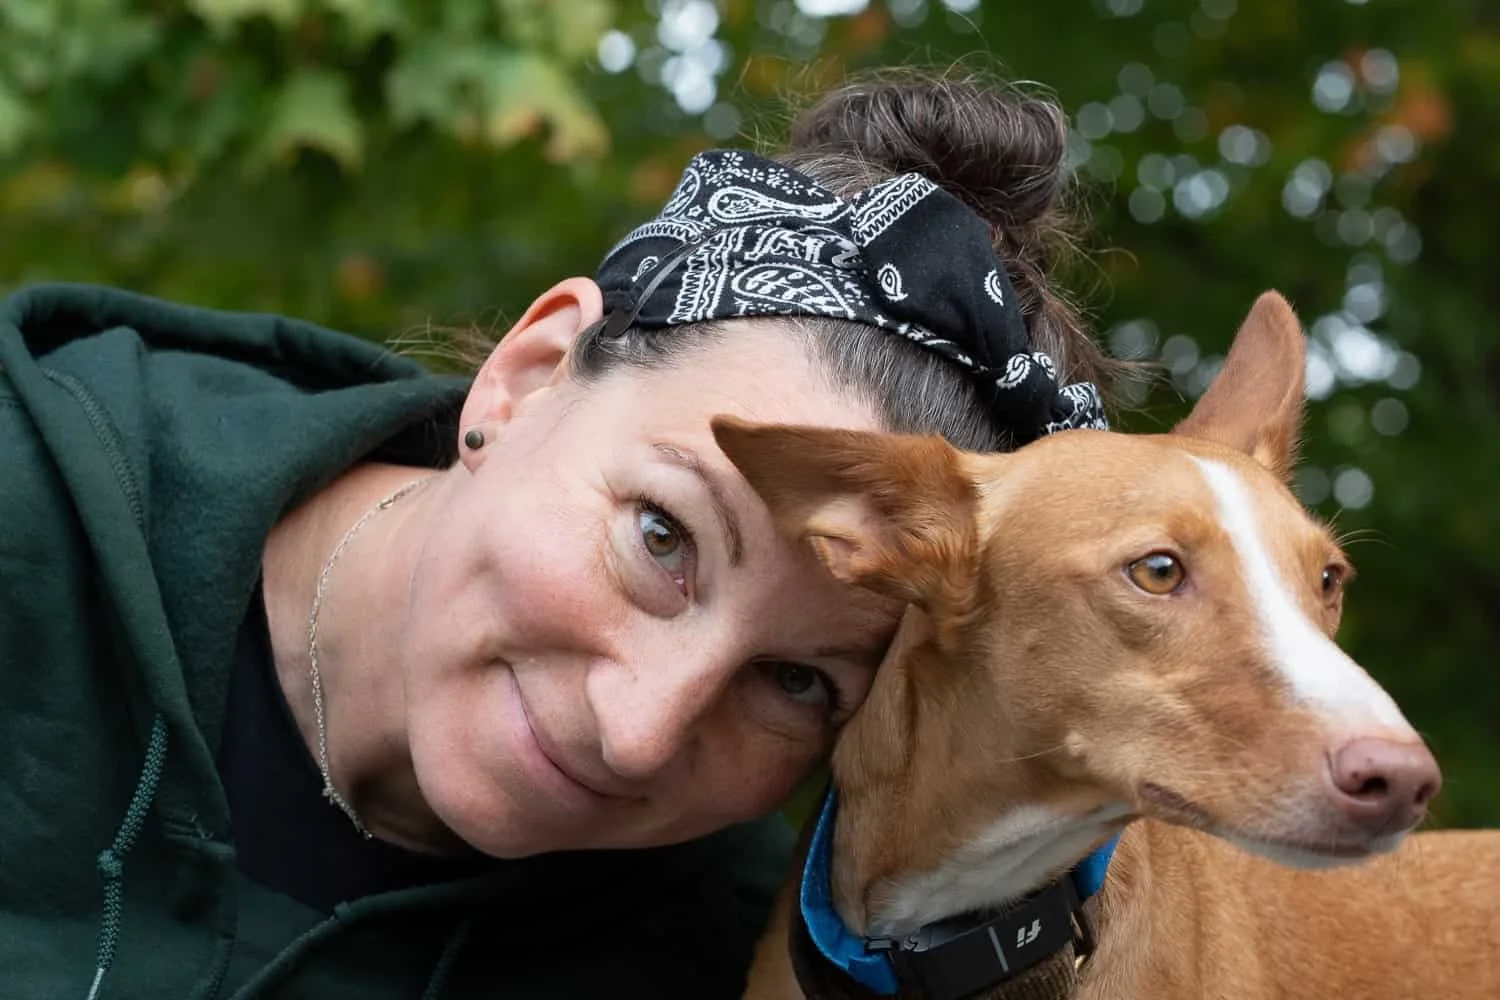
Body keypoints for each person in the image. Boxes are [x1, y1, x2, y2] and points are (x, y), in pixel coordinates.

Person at [0, 71, 1119, 999]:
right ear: (526, 379)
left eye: (796, 682)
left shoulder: (720, 960)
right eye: (664, 538)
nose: (638, 733)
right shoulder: (32, 508)